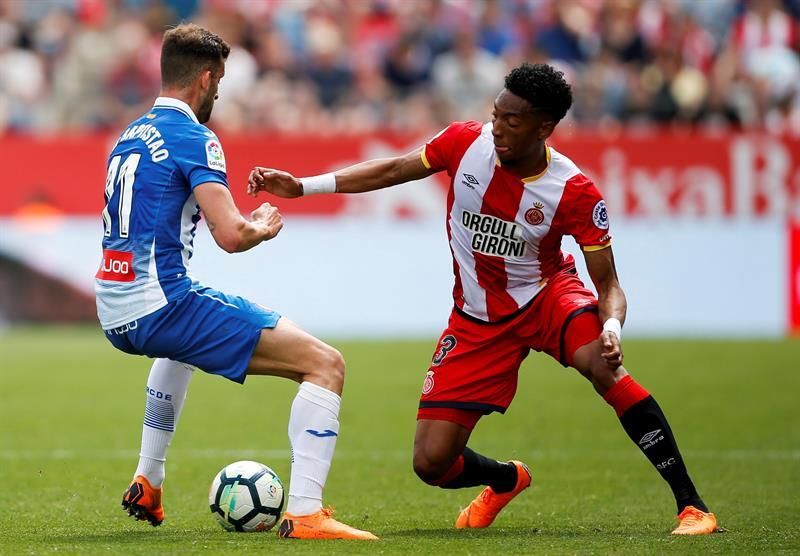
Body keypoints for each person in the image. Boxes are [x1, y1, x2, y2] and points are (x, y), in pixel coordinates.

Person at [248, 63, 718, 536]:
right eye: (496, 115)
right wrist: (304, 187)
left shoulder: (573, 190)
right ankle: (506, 479)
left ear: (545, 128)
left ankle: (692, 506)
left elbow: (609, 285)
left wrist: (611, 328)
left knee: (602, 365)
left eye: (513, 122)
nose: (498, 128)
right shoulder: (463, 143)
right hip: (475, 318)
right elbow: (393, 168)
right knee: (431, 462)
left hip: (545, 296)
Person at [94, 24, 376, 541]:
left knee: (177, 348)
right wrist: (263, 225)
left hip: (114, 306)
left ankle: (148, 479)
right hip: (161, 303)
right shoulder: (195, 137)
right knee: (325, 364)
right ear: (205, 78)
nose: (219, 95)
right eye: (219, 83)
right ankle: (308, 514)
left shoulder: (128, 135)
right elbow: (230, 234)